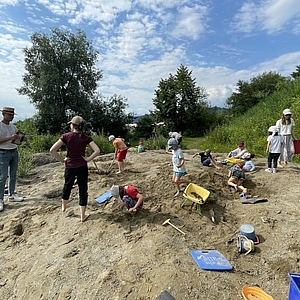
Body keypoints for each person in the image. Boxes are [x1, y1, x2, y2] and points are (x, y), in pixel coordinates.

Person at [50, 116, 100, 222]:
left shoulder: (66, 136)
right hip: (82, 166)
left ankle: (64, 207)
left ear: (72, 125)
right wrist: (88, 159)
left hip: (70, 166)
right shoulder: (86, 138)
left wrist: (62, 160)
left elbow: (52, 150)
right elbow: (97, 150)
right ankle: (83, 215)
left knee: (67, 186)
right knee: (83, 190)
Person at [0, 107, 25, 212]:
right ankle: (0, 199)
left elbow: (16, 140)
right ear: (4, 114)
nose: (12, 116)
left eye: (13, 115)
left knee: (13, 174)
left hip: (14, 151)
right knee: (2, 176)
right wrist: (10, 138)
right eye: (10, 115)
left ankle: (11, 194)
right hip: (2, 152)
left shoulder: (13, 127)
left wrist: (21, 138)